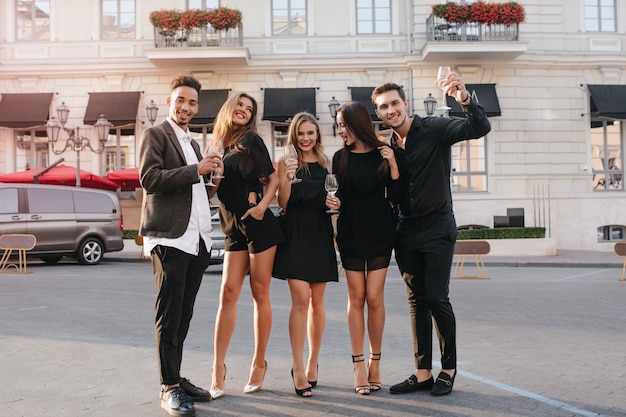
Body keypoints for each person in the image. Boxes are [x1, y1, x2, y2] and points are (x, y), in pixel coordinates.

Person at [371, 74, 491, 396]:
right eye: (383, 107)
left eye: (395, 103)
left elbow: (478, 128)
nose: (390, 110)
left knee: (437, 297)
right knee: (416, 303)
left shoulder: (435, 128)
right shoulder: (389, 147)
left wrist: (463, 98)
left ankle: (448, 369)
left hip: (437, 227)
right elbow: (395, 195)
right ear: (379, 114)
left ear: (405, 104)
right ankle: (422, 372)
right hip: (406, 231)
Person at [139, 74, 223, 417]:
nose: (186, 107)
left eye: (192, 103)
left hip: (198, 240)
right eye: (181, 100)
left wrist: (212, 179)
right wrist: (195, 169)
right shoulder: (155, 134)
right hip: (171, 238)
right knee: (169, 315)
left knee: (184, 315)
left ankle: (176, 376)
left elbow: (198, 191)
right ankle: (169, 387)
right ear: (169, 101)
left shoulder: (193, 142)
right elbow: (150, 178)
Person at [209, 92, 285, 400]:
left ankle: (258, 363)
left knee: (259, 293)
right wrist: (211, 170)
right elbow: (214, 188)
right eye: (239, 105)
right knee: (227, 293)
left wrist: (262, 206)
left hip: (258, 224)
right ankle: (217, 368)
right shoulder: (218, 145)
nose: (243, 110)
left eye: (249, 109)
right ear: (229, 108)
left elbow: (274, 178)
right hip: (231, 226)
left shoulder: (251, 141)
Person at [330, 102, 400, 395]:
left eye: (344, 125)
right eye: (338, 125)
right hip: (351, 232)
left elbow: (397, 196)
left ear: (358, 124)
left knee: (374, 297)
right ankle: (358, 364)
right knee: (356, 296)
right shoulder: (339, 158)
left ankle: (375, 362)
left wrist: (395, 165)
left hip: (381, 231)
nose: (340, 130)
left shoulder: (384, 153)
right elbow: (339, 195)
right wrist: (333, 204)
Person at [273, 112, 339, 398]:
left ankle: (313, 362)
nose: (306, 138)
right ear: (294, 136)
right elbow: (283, 202)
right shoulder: (286, 163)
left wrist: (335, 203)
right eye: (301, 133)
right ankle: (298, 367)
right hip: (295, 233)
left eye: (311, 132)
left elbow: (335, 203)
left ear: (317, 135)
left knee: (318, 303)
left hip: (321, 233)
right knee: (301, 299)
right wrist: (286, 177)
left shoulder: (327, 164)